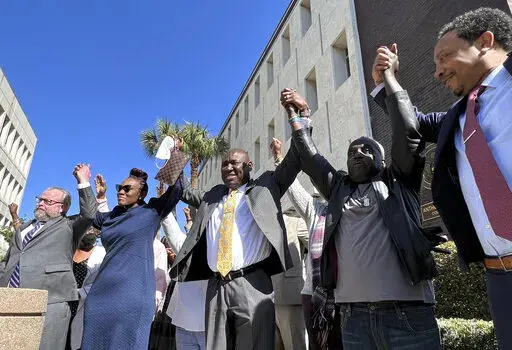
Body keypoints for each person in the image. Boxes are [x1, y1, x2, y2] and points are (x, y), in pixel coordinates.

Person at [372, 8, 512, 348]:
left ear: (485, 42)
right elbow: (413, 123)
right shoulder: (457, 118)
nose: (437, 72)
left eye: (445, 57)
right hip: (500, 276)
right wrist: (386, 82)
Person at [282, 71, 444, 348]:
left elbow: (407, 131)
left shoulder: (399, 182)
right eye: (352, 151)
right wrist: (300, 115)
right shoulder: (337, 189)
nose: (358, 153)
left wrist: (389, 79)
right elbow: (310, 157)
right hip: (353, 319)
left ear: (382, 159)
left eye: (367, 149)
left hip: (408, 315)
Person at [169, 141, 302, 350]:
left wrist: (298, 120)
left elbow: (294, 162)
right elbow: (183, 190)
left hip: (251, 284)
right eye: (224, 164)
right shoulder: (212, 197)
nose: (229, 167)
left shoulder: (265, 188)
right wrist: (176, 153)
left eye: (235, 163)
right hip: (215, 287)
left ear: (249, 165)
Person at [81, 168, 182, 349]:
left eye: (127, 189)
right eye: (120, 187)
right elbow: (89, 215)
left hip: (131, 297)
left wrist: (174, 152)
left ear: (142, 194)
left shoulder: (151, 212)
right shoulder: (110, 217)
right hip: (100, 296)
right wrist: (83, 182)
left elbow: (176, 191)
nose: (121, 191)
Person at [0, 163, 97, 350]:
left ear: (62, 208)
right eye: (40, 199)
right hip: (9, 299)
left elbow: (89, 214)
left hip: (50, 303)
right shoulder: (24, 227)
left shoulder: (69, 226)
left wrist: (83, 181)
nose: (41, 204)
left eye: (48, 201)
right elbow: (9, 259)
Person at [271, 137, 342, 350]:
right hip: (313, 297)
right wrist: (279, 159)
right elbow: (295, 192)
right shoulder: (316, 212)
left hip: (344, 296)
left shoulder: (350, 210)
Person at [269, 139, 309, 350]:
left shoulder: (296, 220)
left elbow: (316, 242)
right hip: (266, 300)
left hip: (291, 297)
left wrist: (279, 159)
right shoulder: (264, 222)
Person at [68, 174, 108, 350]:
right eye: (88, 228)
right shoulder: (66, 251)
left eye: (95, 230)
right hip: (59, 311)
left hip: (85, 315)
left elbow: (104, 221)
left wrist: (101, 198)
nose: (92, 231)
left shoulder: (102, 255)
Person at [163, 204, 208, 350]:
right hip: (183, 323)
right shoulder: (189, 247)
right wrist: (165, 203)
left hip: (209, 326)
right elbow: (173, 233)